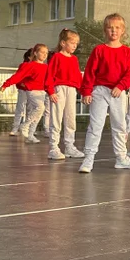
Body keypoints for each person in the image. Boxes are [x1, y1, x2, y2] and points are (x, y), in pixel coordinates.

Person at [78, 14, 130, 172]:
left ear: (122, 31)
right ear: (105, 31)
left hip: (118, 93)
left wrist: (121, 86)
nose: (113, 31)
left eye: (117, 28)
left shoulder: (127, 52)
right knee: (95, 125)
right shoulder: (99, 50)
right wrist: (86, 91)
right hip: (99, 91)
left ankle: (121, 158)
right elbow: (90, 72)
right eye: (110, 28)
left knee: (119, 125)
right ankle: (88, 159)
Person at [45, 29, 83, 161]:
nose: (74, 46)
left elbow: (78, 77)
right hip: (59, 89)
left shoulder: (74, 59)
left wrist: (84, 92)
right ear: (63, 43)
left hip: (71, 90)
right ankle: (53, 147)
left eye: (76, 43)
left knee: (70, 119)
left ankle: (69, 146)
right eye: (72, 42)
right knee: (56, 119)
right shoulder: (56, 57)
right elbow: (49, 75)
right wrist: (51, 91)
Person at [0, 44, 49, 144]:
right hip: (32, 91)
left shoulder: (46, 67)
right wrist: (7, 84)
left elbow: (50, 80)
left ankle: (31, 134)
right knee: (40, 108)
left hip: (42, 91)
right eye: (42, 52)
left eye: (46, 53)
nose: (45, 55)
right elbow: (18, 76)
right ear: (35, 53)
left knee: (38, 113)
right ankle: (24, 125)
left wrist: (52, 92)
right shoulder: (29, 65)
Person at [9, 47, 34, 136]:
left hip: (32, 90)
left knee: (30, 110)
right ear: (29, 57)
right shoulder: (24, 65)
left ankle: (27, 129)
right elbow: (18, 76)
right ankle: (15, 128)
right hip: (23, 89)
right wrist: (22, 84)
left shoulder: (38, 65)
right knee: (20, 108)